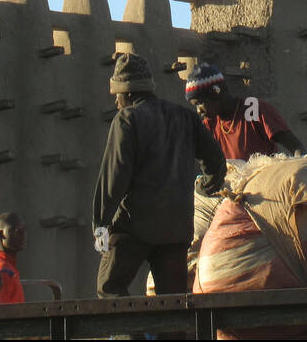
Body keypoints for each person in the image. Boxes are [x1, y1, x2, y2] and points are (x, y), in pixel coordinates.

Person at [92, 53, 225, 297]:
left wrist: (101, 223)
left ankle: (133, 325)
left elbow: (115, 176)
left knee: (110, 288)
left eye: (117, 95)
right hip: (176, 229)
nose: (116, 102)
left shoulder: (127, 119)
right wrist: (206, 186)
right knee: (172, 301)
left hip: (135, 226)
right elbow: (215, 160)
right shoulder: (186, 117)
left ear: (128, 94)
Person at [185, 63, 306, 160]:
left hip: (266, 181)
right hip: (235, 183)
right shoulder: (210, 125)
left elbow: (296, 147)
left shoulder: (253, 109)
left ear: (216, 92)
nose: (198, 110)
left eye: (200, 103)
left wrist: (300, 170)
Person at [0, 212, 26, 304]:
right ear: (0, 234)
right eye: (16, 230)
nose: (23, 234)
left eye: (24, 229)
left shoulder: (6, 267)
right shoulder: (4, 271)